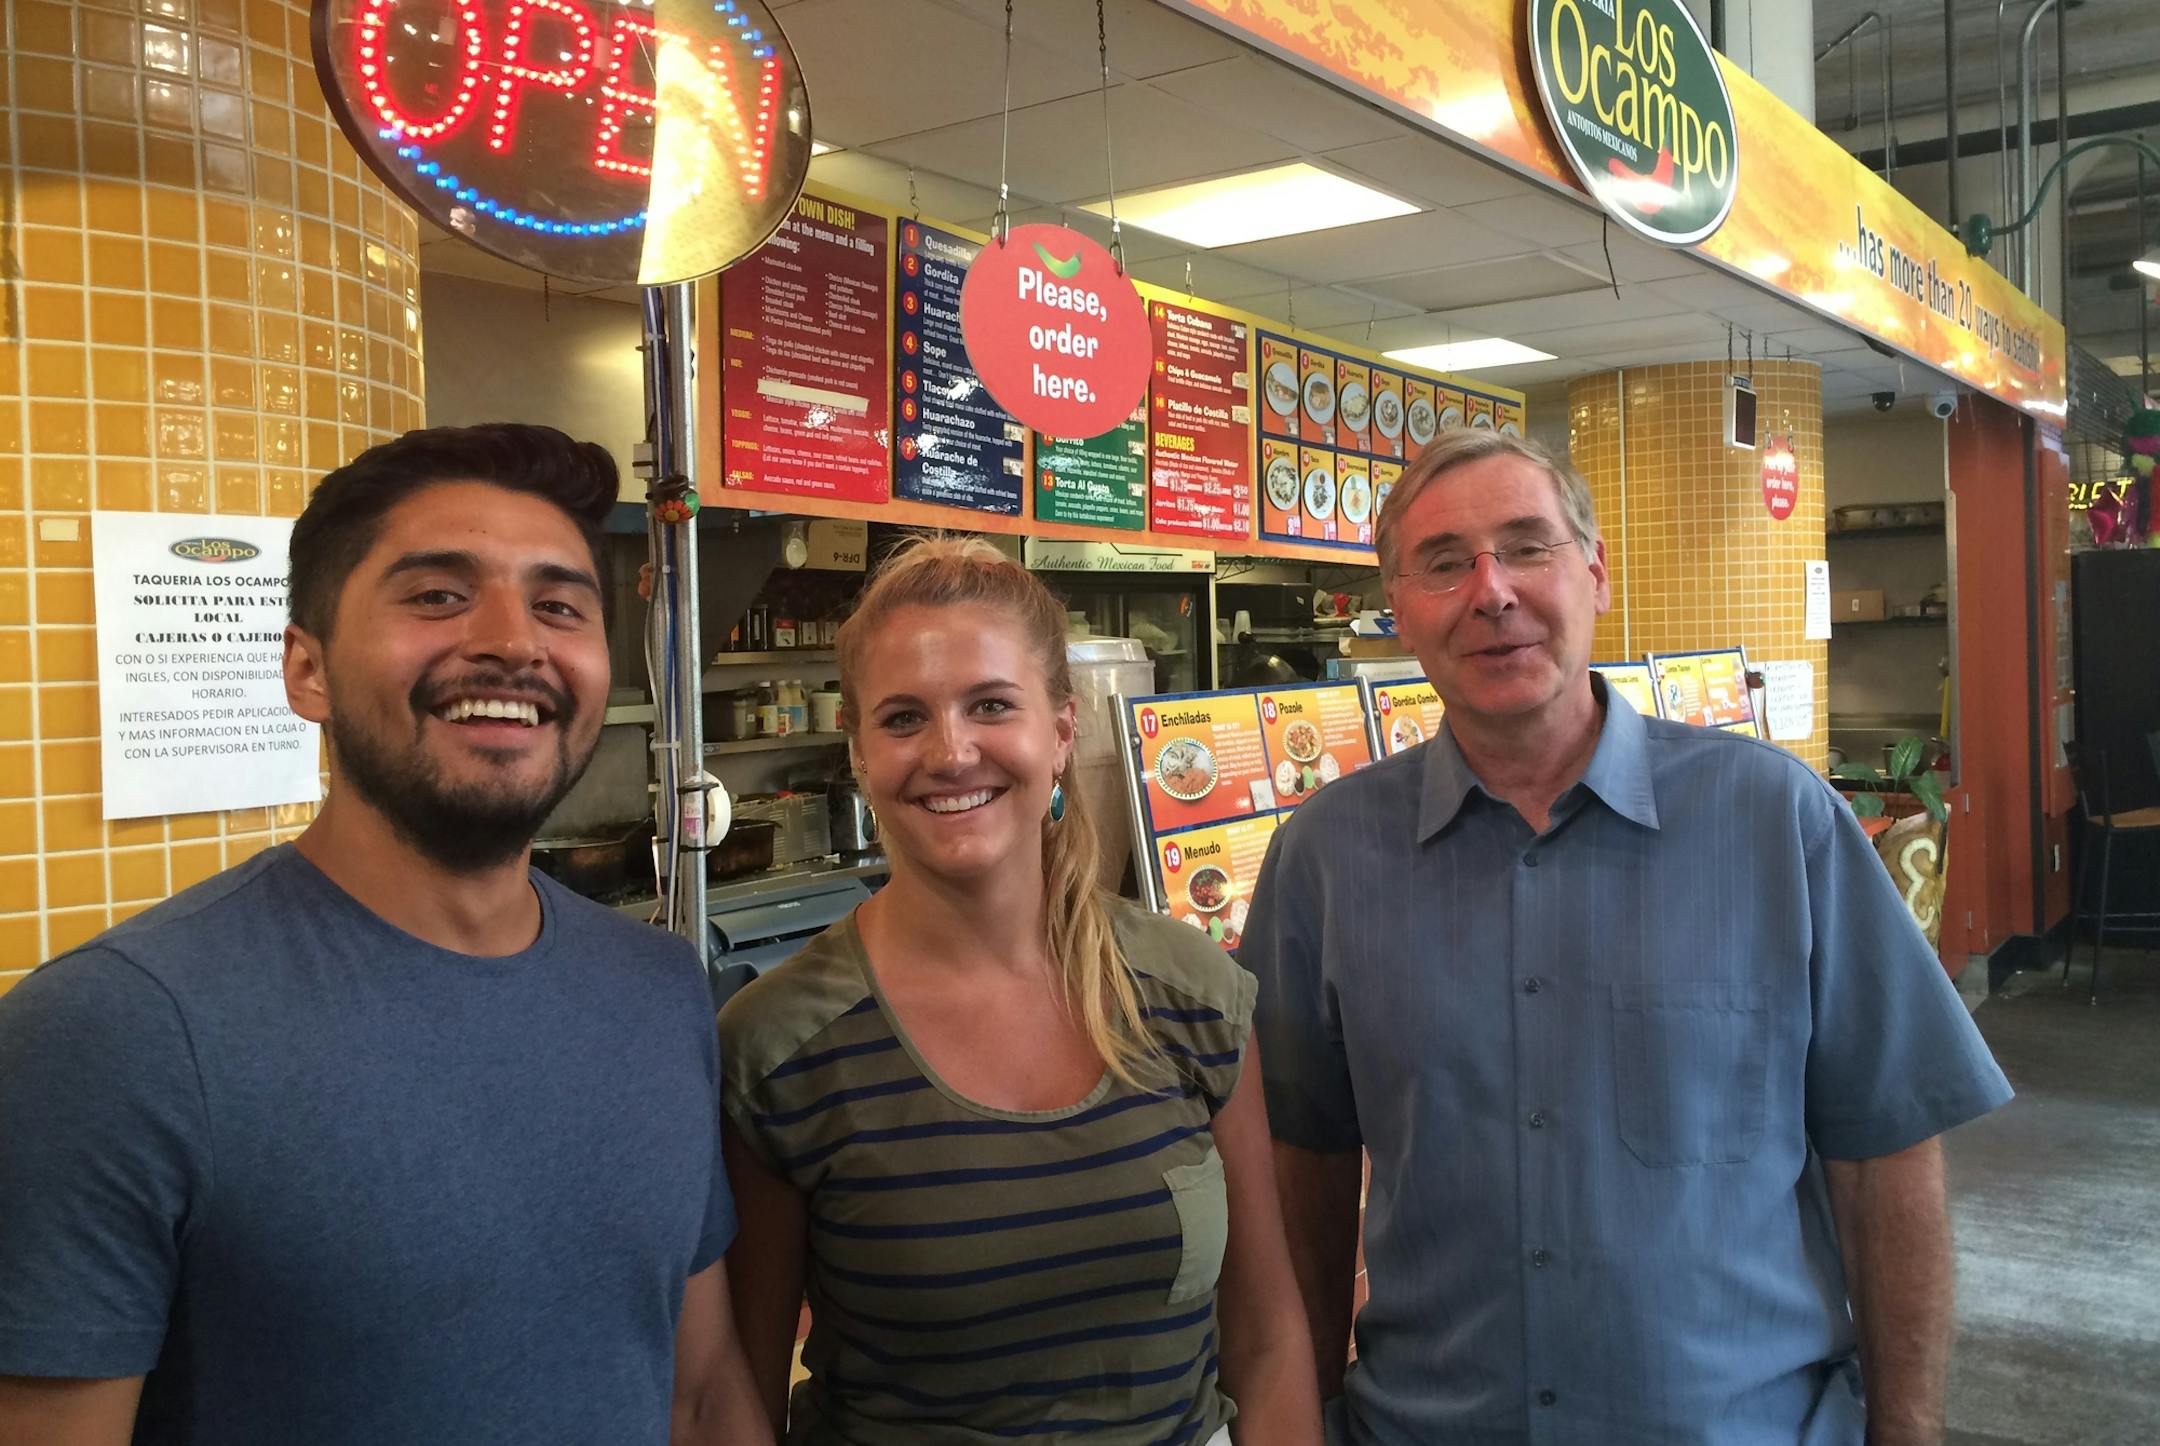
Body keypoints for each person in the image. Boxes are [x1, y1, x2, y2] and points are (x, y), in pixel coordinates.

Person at [0, 424, 770, 1445]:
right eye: (437, 595)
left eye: (558, 604)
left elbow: (703, 1390)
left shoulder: (661, 988)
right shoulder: (115, 1032)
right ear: (305, 671)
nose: (513, 639)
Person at [1243, 429, 2012, 1446]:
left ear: (1595, 573)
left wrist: (1906, 1433)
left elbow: (1887, 1155)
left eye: (1527, 547)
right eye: (1443, 563)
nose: (1492, 591)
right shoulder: (1327, 856)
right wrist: (1312, 1414)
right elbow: (1304, 1166)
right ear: (1401, 609)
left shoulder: (1777, 822)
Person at [718, 536, 1321, 1445]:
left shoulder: (1192, 995)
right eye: (903, 718)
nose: (951, 752)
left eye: (991, 705)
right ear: (858, 751)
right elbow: (741, 1403)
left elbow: (1268, 1342)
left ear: (1062, 730)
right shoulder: (778, 1049)